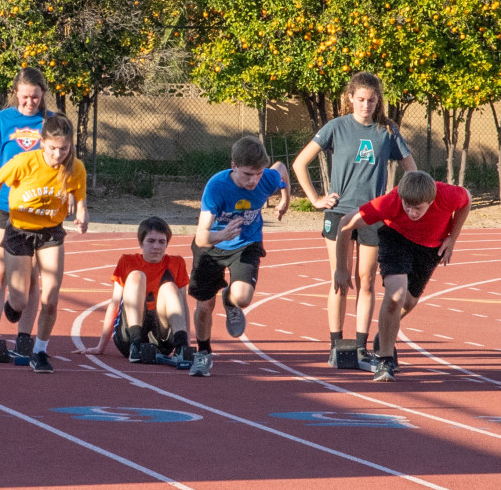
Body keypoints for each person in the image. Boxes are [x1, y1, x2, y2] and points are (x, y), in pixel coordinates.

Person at [291, 72, 417, 365]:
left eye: (371, 100)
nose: (366, 105)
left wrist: (397, 202)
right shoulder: (336, 127)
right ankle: (336, 345)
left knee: (367, 281)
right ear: (350, 98)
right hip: (338, 212)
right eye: (360, 99)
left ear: (378, 101)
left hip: (373, 215)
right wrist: (315, 199)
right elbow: (300, 163)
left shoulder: (388, 131)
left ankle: (360, 347)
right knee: (340, 279)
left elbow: (412, 171)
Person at [0, 113, 88, 374]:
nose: (58, 154)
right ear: (42, 143)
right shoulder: (25, 162)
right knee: (20, 300)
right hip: (19, 230)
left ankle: (40, 350)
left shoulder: (75, 168)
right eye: (52, 148)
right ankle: (11, 305)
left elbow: (79, 195)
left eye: (64, 148)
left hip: (51, 232)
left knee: (50, 297)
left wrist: (82, 214)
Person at [334, 171, 470, 382]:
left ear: (432, 201)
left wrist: (453, 238)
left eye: (418, 208)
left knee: (409, 301)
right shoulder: (390, 202)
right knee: (395, 296)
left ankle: (385, 333)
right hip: (396, 238)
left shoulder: (448, 195)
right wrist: (341, 268)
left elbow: (466, 201)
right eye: (408, 206)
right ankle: (385, 360)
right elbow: (345, 223)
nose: (411, 212)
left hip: (429, 248)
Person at [188, 136, 289, 377]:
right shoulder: (216, 187)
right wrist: (222, 233)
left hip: (246, 243)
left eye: (258, 174)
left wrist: (285, 198)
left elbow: (282, 169)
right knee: (204, 306)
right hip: (212, 244)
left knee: (243, 297)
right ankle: (203, 353)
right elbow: (201, 237)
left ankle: (231, 300)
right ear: (233, 166)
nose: (253, 180)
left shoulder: (266, 178)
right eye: (247, 174)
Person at [0, 68, 50, 361]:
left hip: (38, 210)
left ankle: (24, 338)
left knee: (31, 278)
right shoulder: (1, 120)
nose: (30, 102)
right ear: (16, 92)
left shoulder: (51, 122)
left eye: (36, 97)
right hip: (4, 207)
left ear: (42, 94)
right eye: (25, 96)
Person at [75, 217, 192, 362]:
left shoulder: (177, 263)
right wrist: (101, 347)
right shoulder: (127, 261)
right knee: (137, 276)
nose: (156, 246)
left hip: (161, 335)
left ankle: (181, 348)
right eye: (151, 241)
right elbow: (115, 303)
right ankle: (136, 345)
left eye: (162, 242)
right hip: (129, 336)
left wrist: (188, 344)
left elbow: (183, 306)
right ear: (141, 243)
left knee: (169, 287)